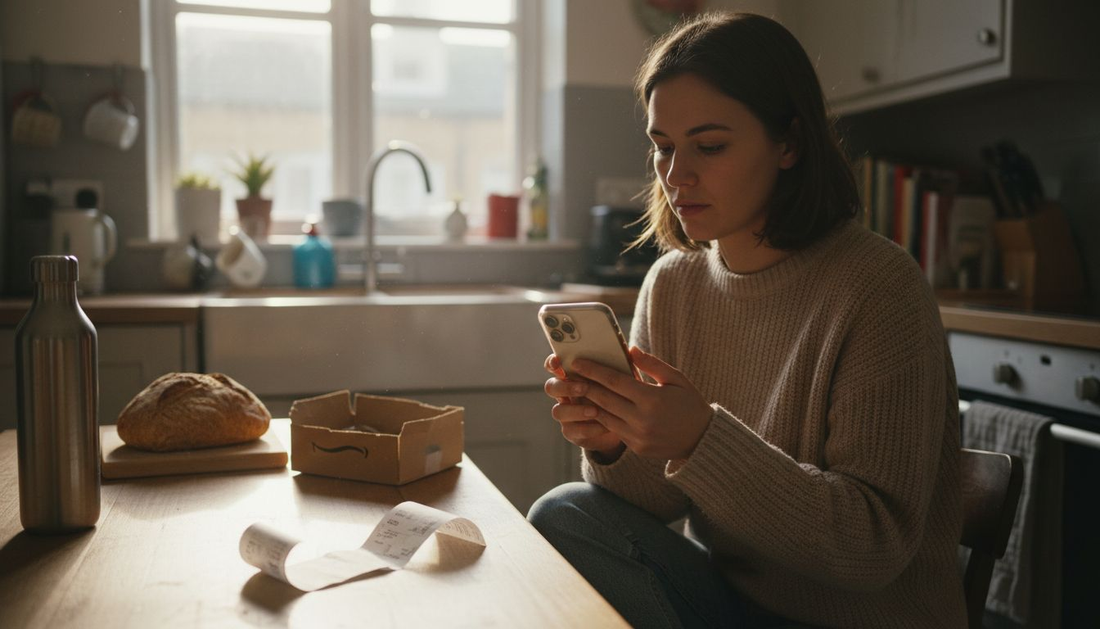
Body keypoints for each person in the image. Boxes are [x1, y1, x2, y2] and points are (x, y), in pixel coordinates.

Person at [527, 11, 966, 629]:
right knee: (565, 511)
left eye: (709, 146)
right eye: (663, 148)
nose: (677, 176)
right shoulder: (674, 285)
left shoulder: (878, 287)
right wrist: (613, 442)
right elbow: (655, 504)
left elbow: (874, 547)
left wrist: (699, 439)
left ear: (789, 143)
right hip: (738, 608)